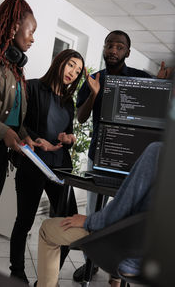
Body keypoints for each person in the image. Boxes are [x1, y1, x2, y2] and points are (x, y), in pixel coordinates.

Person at [74, 30, 152, 281]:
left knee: (124, 213)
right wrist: (95, 93)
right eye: (110, 45)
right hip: (99, 156)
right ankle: (90, 264)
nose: (113, 50)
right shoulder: (93, 78)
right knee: (95, 210)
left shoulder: (141, 78)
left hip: (130, 160)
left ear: (127, 52)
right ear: (104, 48)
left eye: (119, 47)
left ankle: (116, 271)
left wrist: (161, 85)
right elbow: (81, 117)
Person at [35, 141, 162, 287]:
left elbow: (119, 212)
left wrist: (88, 221)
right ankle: (116, 280)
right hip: (160, 259)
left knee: (47, 229)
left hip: (130, 254)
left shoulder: (158, 152)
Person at [0, 0, 41, 262]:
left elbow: (13, 119)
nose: (33, 38)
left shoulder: (16, 69)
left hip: (0, 157)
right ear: (14, 27)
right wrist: (5, 133)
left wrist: (26, 137)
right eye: (31, 31)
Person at [9, 49, 85, 284]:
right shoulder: (30, 87)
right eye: (71, 65)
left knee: (69, 222)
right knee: (25, 221)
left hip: (59, 170)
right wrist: (36, 140)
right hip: (33, 165)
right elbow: (16, 123)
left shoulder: (68, 102)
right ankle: (17, 273)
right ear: (59, 62)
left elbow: (69, 133)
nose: (73, 72)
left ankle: (45, 280)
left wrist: (69, 139)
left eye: (78, 71)